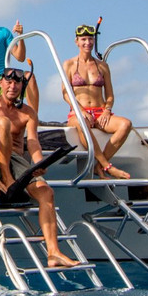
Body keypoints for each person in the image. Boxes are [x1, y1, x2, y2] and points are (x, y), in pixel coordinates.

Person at [0, 68, 79, 268]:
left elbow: (32, 142)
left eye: (17, 83)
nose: (12, 86)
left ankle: (53, 253)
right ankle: (7, 179)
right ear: (1, 84)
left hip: (17, 160)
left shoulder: (28, 112)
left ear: (22, 86)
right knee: (2, 123)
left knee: (46, 192)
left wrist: (39, 163)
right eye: (9, 82)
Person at [61, 23, 132, 179]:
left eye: (90, 39)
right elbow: (66, 93)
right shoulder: (69, 64)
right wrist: (81, 111)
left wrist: (107, 110)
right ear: (77, 42)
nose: (88, 43)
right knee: (82, 124)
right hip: (78, 113)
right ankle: (107, 166)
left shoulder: (102, 66)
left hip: (100, 112)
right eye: (84, 39)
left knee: (125, 124)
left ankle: (99, 166)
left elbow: (110, 95)